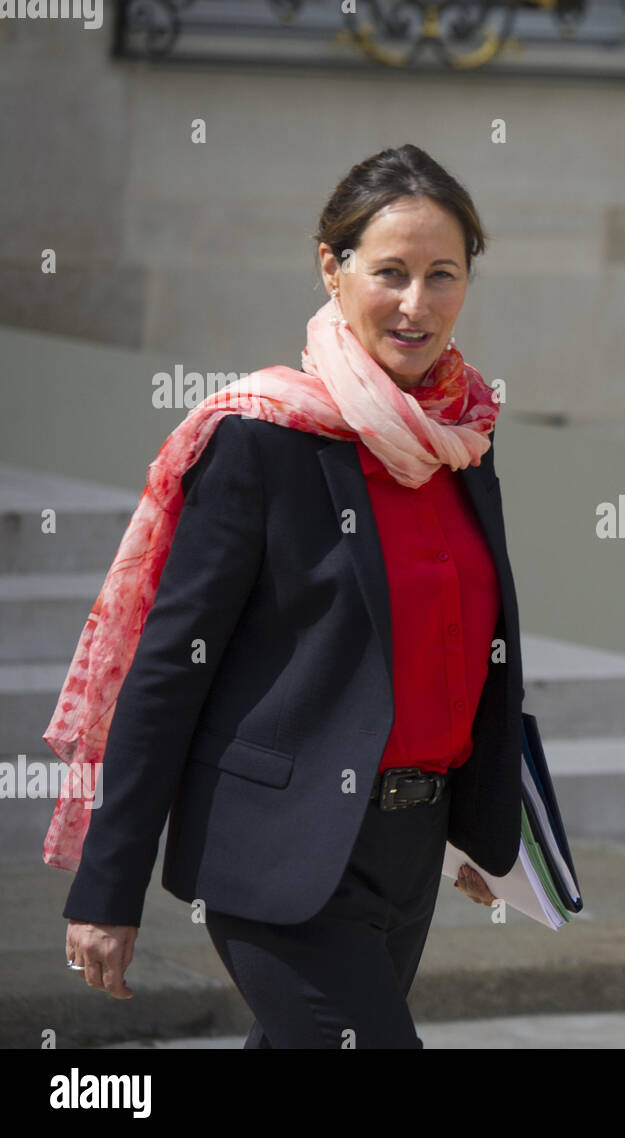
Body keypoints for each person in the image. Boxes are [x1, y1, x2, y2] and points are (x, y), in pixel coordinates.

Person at [49, 144, 516, 1048]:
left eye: (442, 275)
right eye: (390, 272)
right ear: (331, 269)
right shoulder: (260, 441)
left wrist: (490, 821)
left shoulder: (463, 437)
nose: (416, 304)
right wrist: (108, 888)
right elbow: (167, 674)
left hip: (410, 855)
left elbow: (476, 651)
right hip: (283, 853)